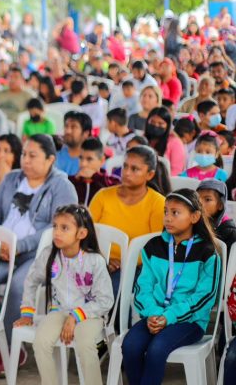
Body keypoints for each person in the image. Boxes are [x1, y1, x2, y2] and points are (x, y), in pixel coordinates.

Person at [0, 134, 78, 374]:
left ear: (50, 159)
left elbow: (58, 227)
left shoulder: (61, 185)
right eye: (24, 154)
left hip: (39, 253)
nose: (25, 160)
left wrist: (20, 245)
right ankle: (2, 339)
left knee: (18, 286)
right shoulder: (11, 179)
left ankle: (14, 348)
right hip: (4, 250)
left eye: (32, 155)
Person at [121, 189, 220, 385]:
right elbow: (142, 287)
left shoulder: (207, 252)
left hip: (190, 321)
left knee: (157, 350)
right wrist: (153, 314)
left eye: (175, 213)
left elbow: (206, 296)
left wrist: (170, 316)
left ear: (194, 217)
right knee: (130, 346)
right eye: (166, 211)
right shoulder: (153, 247)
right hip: (154, 316)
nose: (168, 218)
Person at [15, 204, 113, 385]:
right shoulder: (48, 256)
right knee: (41, 342)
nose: (56, 232)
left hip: (91, 315)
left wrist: (76, 316)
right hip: (58, 311)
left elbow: (105, 300)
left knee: (85, 343)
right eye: (55, 226)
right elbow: (31, 281)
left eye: (64, 228)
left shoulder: (94, 261)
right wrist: (27, 312)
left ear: (82, 234)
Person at [89, 146, 168, 294]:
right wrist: (102, 259)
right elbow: (86, 233)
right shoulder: (103, 196)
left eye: (135, 169)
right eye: (125, 166)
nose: (126, 172)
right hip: (96, 261)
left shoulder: (158, 203)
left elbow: (155, 248)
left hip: (135, 268)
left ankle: (106, 317)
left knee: (110, 288)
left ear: (150, 174)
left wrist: (123, 263)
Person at [69, 138, 119, 206]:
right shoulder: (70, 182)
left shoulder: (112, 182)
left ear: (102, 160)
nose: (83, 164)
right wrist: (74, 181)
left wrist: (96, 176)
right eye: (81, 158)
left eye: (89, 159)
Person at [145, 106, 186, 176]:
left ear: (167, 126)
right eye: (152, 122)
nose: (156, 126)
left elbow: (176, 171)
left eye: (160, 124)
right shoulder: (143, 138)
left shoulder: (175, 143)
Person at [197, 179, 236, 250]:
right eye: (197, 199)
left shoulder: (230, 233)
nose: (200, 203)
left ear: (221, 205)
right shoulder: (194, 224)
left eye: (207, 199)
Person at [55, 111, 92, 176]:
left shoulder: (94, 158)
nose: (68, 131)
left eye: (73, 127)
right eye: (66, 126)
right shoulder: (54, 155)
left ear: (86, 133)